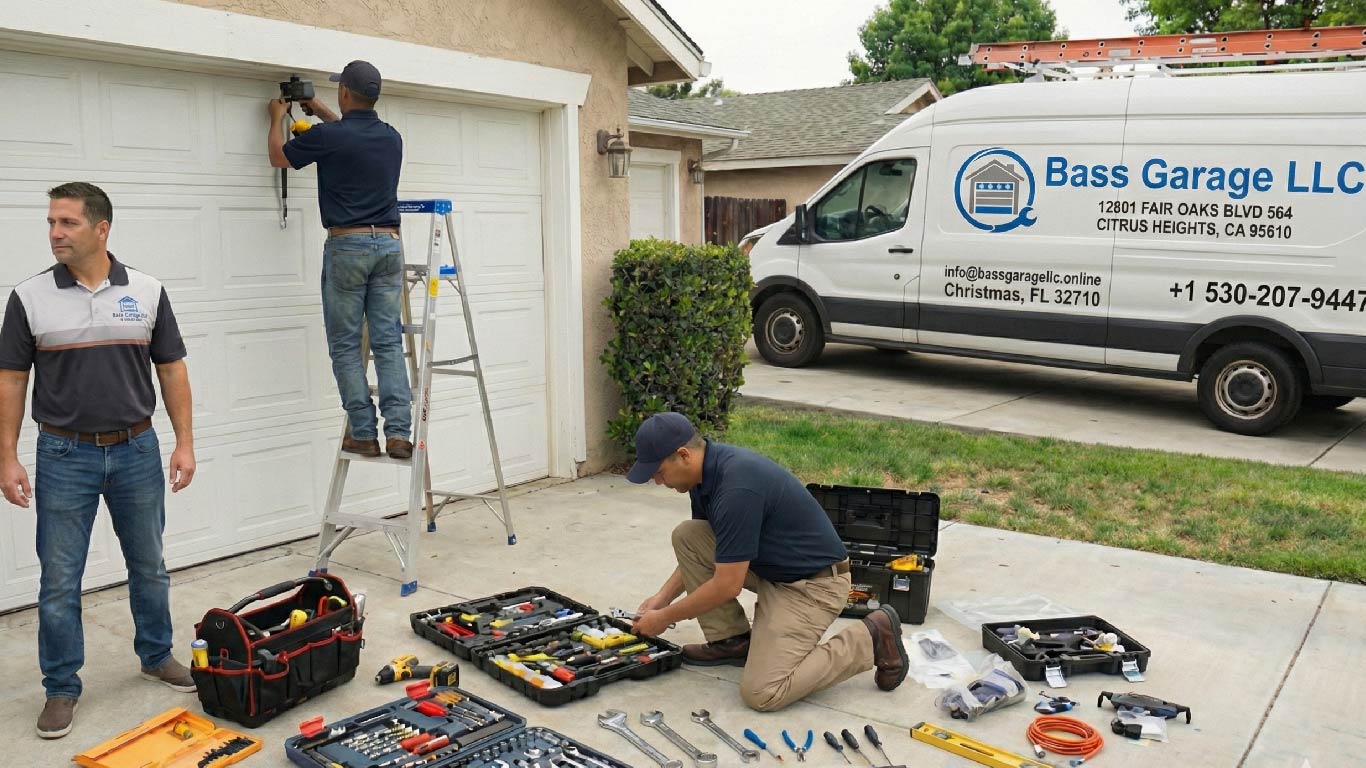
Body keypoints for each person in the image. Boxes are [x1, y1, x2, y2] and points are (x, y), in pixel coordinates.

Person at [0, 182, 198, 739]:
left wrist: (184, 442)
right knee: (60, 579)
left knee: (149, 565)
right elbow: (11, 379)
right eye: (51, 222)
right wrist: (7, 456)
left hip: (137, 449)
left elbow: (172, 369)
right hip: (64, 454)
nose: (55, 233)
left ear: (101, 228)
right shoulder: (29, 297)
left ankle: (156, 655)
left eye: (67, 222)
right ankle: (61, 686)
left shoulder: (147, 291)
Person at [628, 411, 908, 712]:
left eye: (658, 472)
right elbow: (708, 551)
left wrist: (665, 617)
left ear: (684, 455)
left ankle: (869, 637)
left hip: (813, 587)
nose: (657, 481)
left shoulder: (736, 488)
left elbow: (727, 585)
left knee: (763, 692)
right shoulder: (703, 476)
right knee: (689, 535)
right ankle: (732, 641)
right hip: (773, 570)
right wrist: (662, 598)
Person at [267, 60, 412, 459]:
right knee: (388, 341)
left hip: (348, 247)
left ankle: (363, 433)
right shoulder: (391, 137)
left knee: (347, 345)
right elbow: (348, 135)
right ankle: (399, 433)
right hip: (388, 245)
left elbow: (279, 157)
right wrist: (318, 108)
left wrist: (276, 116)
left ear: (345, 92)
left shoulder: (329, 137)